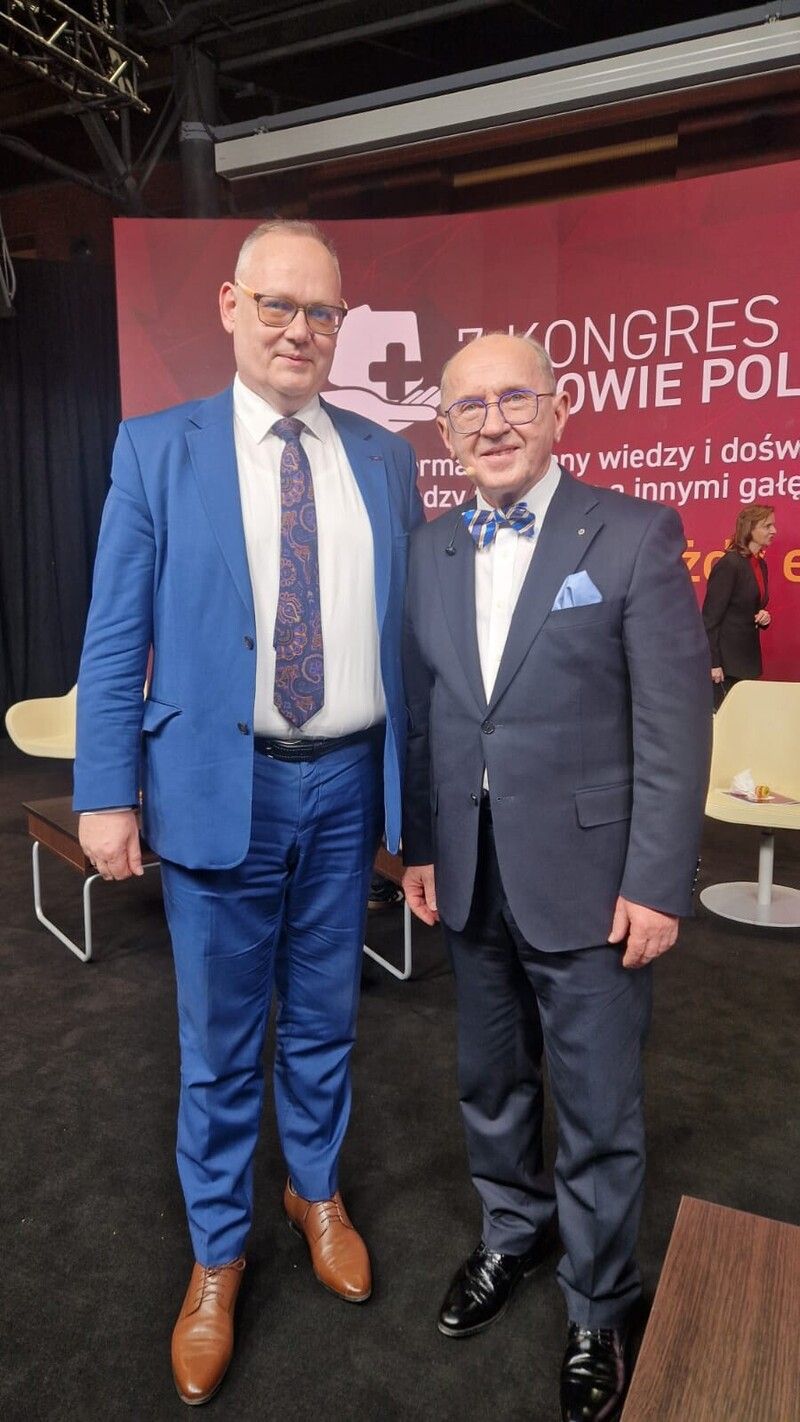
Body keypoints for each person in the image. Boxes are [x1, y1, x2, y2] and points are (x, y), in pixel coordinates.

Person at [74, 218, 423, 1406]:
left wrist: (408, 809)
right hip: (223, 786)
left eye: (320, 312)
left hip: (343, 784)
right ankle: (216, 1257)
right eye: (277, 305)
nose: (298, 330)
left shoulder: (382, 457)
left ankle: (312, 1191)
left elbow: (402, 646)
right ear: (228, 305)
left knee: (325, 1017)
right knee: (220, 1048)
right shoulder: (154, 450)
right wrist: (105, 792)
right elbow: (116, 634)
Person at [401, 333, 711, 1422]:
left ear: (558, 409)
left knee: (593, 1109)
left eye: (511, 399)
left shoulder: (630, 535)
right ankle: (510, 1234)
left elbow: (671, 730)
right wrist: (424, 849)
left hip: (591, 881)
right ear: (442, 432)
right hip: (472, 877)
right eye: (465, 408)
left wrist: (657, 883)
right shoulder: (430, 547)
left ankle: (595, 1302)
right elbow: (434, 717)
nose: (489, 422)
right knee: (490, 1088)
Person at [702, 503, 775, 709]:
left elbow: (749, 607)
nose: (774, 531)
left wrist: (763, 616)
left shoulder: (760, 564)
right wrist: (713, 663)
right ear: (750, 529)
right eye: (767, 526)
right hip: (726, 666)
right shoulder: (729, 564)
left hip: (748, 661)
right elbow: (710, 619)